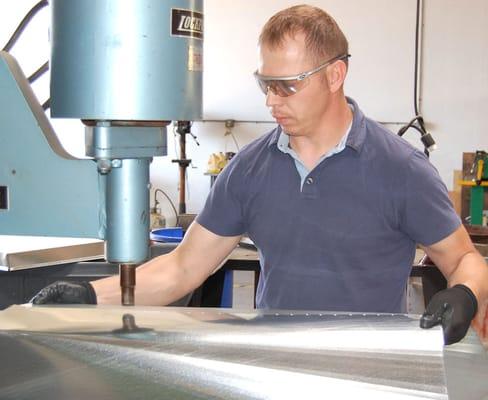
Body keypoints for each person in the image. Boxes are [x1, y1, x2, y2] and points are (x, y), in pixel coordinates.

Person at [32, 5, 487, 345]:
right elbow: (182, 269)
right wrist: (89, 298)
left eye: (287, 85)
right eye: (265, 84)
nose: (271, 101)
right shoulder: (249, 170)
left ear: (336, 75)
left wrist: (464, 292)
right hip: (274, 368)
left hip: (365, 370)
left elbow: (465, 259)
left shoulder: (401, 170)